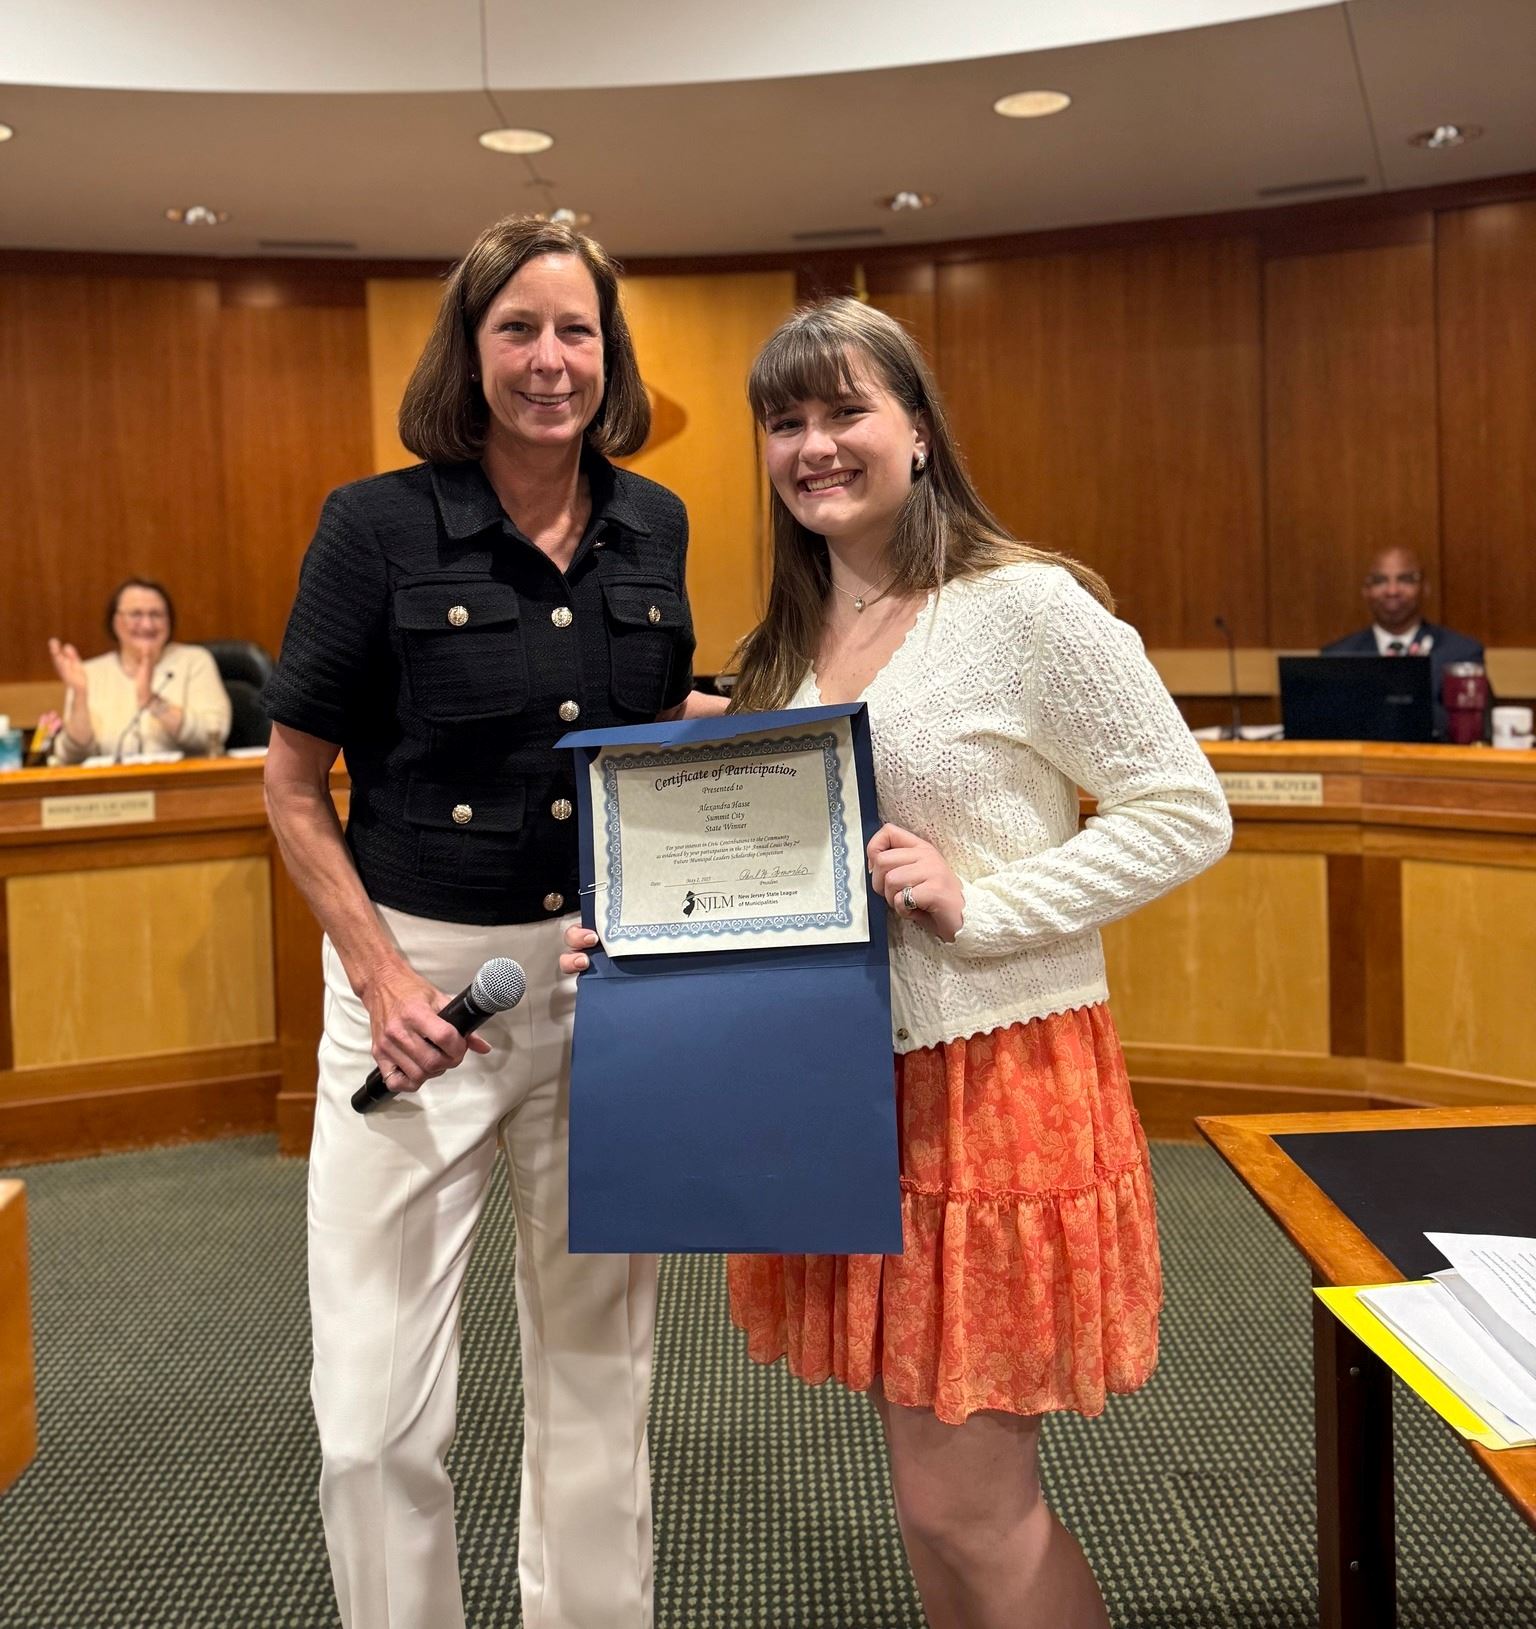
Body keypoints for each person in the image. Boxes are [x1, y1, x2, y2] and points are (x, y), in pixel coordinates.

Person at [569, 299, 1232, 1629]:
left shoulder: (1023, 605)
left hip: (997, 1084)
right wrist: (640, 937)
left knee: (966, 1505)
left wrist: (976, 899)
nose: (815, 444)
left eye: (845, 410)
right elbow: (764, 883)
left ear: (918, 430)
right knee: (928, 1503)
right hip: (841, 1101)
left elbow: (1185, 811)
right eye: (785, 421)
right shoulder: (783, 648)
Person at [262, 216, 721, 1629]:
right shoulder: (375, 525)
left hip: (605, 982)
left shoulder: (656, 521)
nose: (549, 359)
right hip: (425, 996)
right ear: (470, 351)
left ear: (611, 353)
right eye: (518, 327)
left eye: (576, 330)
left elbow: (650, 737)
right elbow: (292, 786)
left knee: (598, 1381)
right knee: (374, 1421)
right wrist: (381, 973)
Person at [46, 577, 231, 763]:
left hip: (188, 784)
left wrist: (153, 702)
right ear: (115, 621)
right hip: (114, 788)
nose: (147, 625)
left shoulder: (195, 661)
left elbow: (214, 733)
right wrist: (79, 695)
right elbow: (73, 756)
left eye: (156, 615)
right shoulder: (88, 674)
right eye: (136, 614)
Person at [1322, 546, 1485, 736]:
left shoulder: (1461, 653)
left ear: (1424, 588)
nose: (1392, 590)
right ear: (1366, 591)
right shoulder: (1337, 657)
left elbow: (1476, 730)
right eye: (1380, 581)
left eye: (1405, 579)